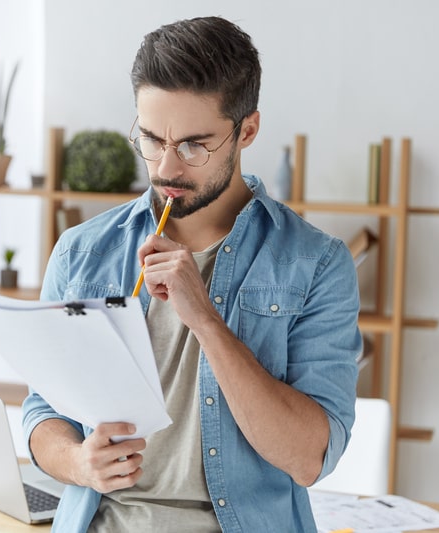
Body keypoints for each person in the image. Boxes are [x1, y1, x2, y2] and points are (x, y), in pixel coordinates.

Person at [22, 16, 361, 532]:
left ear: (246, 130)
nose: (166, 168)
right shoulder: (81, 251)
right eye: (152, 139)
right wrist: (77, 464)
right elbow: (44, 409)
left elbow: (309, 457)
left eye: (193, 146)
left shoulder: (316, 263)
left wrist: (205, 320)